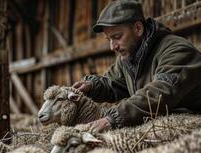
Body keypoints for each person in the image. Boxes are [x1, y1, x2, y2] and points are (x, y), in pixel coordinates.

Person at [73, 0, 201, 132]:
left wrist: (113, 118)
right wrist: (92, 86)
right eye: (109, 39)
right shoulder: (128, 57)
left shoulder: (177, 50)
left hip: (190, 128)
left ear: (138, 29)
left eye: (117, 36)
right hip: (159, 127)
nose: (113, 46)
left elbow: (159, 93)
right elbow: (114, 84)